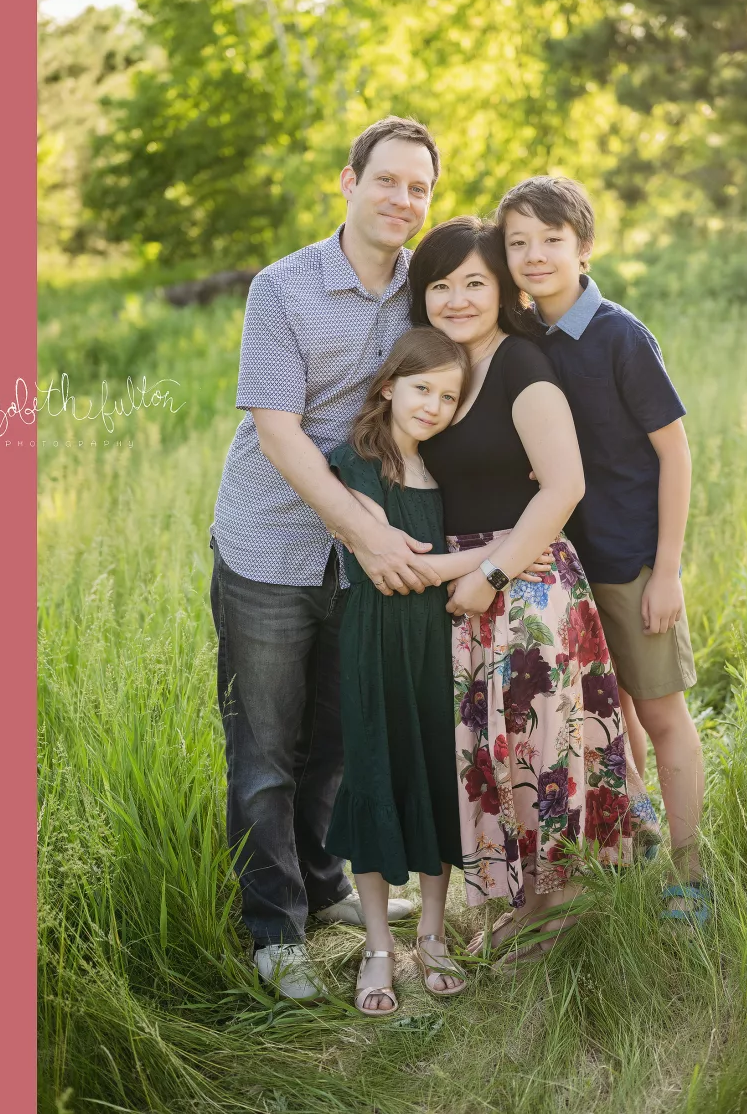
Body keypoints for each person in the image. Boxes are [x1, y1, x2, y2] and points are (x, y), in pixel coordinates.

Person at [210, 117, 451, 1001]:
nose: (402, 200)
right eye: (387, 180)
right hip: (272, 545)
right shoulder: (282, 288)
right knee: (267, 748)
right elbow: (278, 434)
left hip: (367, 560)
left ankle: (320, 887)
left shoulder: (421, 292)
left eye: (419, 187)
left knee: (336, 743)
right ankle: (273, 927)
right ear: (347, 183)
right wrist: (367, 532)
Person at [413, 217, 662, 961]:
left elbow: (563, 486)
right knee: (499, 749)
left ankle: (564, 902)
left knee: (539, 746)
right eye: (440, 285)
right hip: (467, 580)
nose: (457, 299)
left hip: (524, 580)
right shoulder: (443, 366)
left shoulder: (521, 365)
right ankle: (524, 900)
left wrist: (491, 576)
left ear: (502, 290)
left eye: (475, 283)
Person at [497, 175, 709, 924]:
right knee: (608, 719)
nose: (533, 255)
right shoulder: (525, 338)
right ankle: (638, 832)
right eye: (517, 242)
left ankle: (691, 874)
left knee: (662, 718)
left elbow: (675, 454)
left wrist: (669, 570)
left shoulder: (618, 334)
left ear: (584, 248)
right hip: (568, 569)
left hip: (632, 563)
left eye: (551, 240)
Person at [326, 327, 557, 1013]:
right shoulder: (354, 465)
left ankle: (430, 934)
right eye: (421, 387)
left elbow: (442, 570)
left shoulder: (443, 474)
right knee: (375, 776)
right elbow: (401, 571)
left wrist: (499, 551)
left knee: (435, 776)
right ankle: (377, 947)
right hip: (375, 643)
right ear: (389, 385)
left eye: (448, 396)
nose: (432, 404)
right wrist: (514, 548)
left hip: (442, 643)